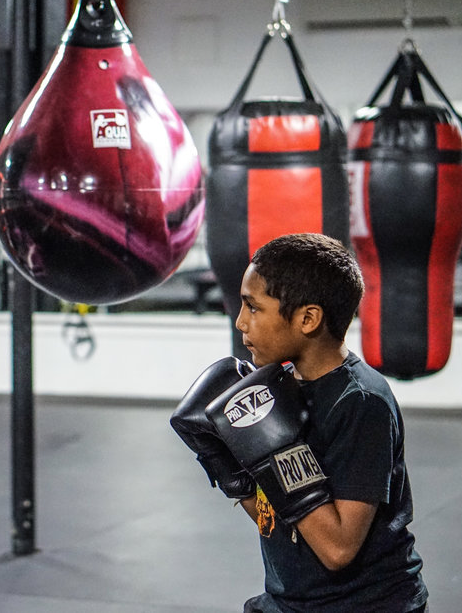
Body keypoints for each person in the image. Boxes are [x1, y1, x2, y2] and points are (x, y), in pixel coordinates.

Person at [172, 233, 428, 612]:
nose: (241, 322)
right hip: (291, 600)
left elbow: (338, 549)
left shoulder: (361, 402)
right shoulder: (281, 389)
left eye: (253, 307)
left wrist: (278, 453)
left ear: (308, 318)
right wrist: (231, 471)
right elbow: (276, 518)